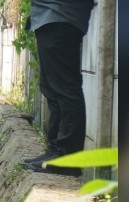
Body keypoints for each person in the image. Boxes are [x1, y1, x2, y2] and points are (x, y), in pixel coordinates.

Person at [23, 0, 95, 176]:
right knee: (51, 88)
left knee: (64, 89)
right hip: (52, 16)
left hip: (60, 16)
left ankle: (67, 158)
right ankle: (55, 150)